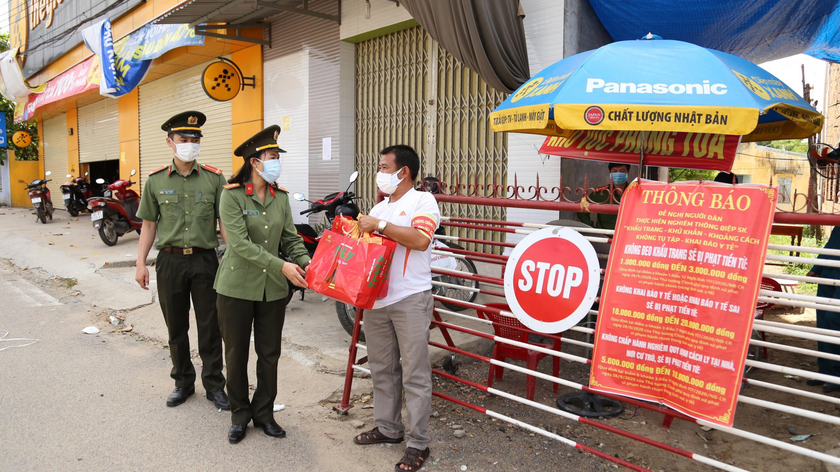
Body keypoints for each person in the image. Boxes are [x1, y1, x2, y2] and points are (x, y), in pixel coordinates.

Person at [214, 125, 311, 444]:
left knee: (269, 353)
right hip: (236, 287)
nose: (276, 163)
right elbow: (239, 245)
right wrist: (282, 265)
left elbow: (291, 238)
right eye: (271, 157)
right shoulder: (231, 196)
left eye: (277, 157)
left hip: (271, 290)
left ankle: (265, 413)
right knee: (237, 353)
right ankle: (240, 415)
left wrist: (310, 264)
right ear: (254, 163)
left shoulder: (280, 198)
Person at [135, 111, 230, 410]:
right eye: (183, 139)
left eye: (194, 139)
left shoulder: (215, 179)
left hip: (205, 260)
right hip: (169, 262)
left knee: (210, 326)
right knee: (176, 327)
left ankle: (214, 385)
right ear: (170, 142)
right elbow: (148, 225)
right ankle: (183, 383)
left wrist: (234, 255)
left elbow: (224, 221)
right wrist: (140, 263)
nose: (190, 144)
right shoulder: (155, 181)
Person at [354, 145, 441, 472]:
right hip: (378, 300)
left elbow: (421, 240)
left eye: (383, 166)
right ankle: (388, 428)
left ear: (402, 172)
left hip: (410, 299)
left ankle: (419, 443)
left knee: (415, 373)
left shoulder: (423, 201)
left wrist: (379, 226)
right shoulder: (380, 206)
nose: (380, 172)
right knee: (382, 367)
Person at [806, 227, 840, 394]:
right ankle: (825, 371)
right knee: (824, 324)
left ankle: (836, 375)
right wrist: (817, 268)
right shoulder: (837, 223)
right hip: (828, 272)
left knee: (834, 321)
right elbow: (831, 245)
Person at [577, 162, 629, 231]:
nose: (618, 174)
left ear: (628, 172)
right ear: (610, 173)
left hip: (628, 237)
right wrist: (592, 229)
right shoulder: (600, 193)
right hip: (604, 237)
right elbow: (582, 210)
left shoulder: (635, 192)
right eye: (614, 171)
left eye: (622, 171)